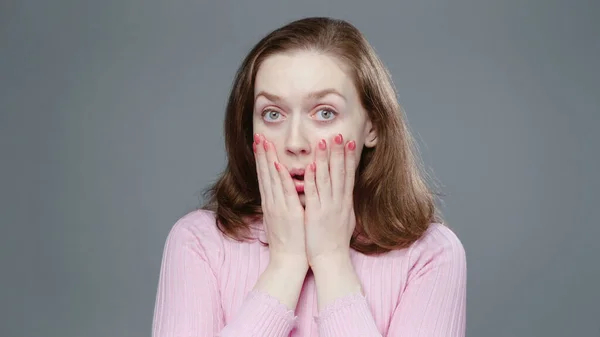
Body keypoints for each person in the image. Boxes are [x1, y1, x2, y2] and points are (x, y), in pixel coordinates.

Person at [152, 16, 466, 337]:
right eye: (272, 114)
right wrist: (285, 266)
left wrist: (332, 262)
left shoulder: (431, 255)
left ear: (372, 126)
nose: (295, 143)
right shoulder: (198, 242)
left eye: (325, 113)